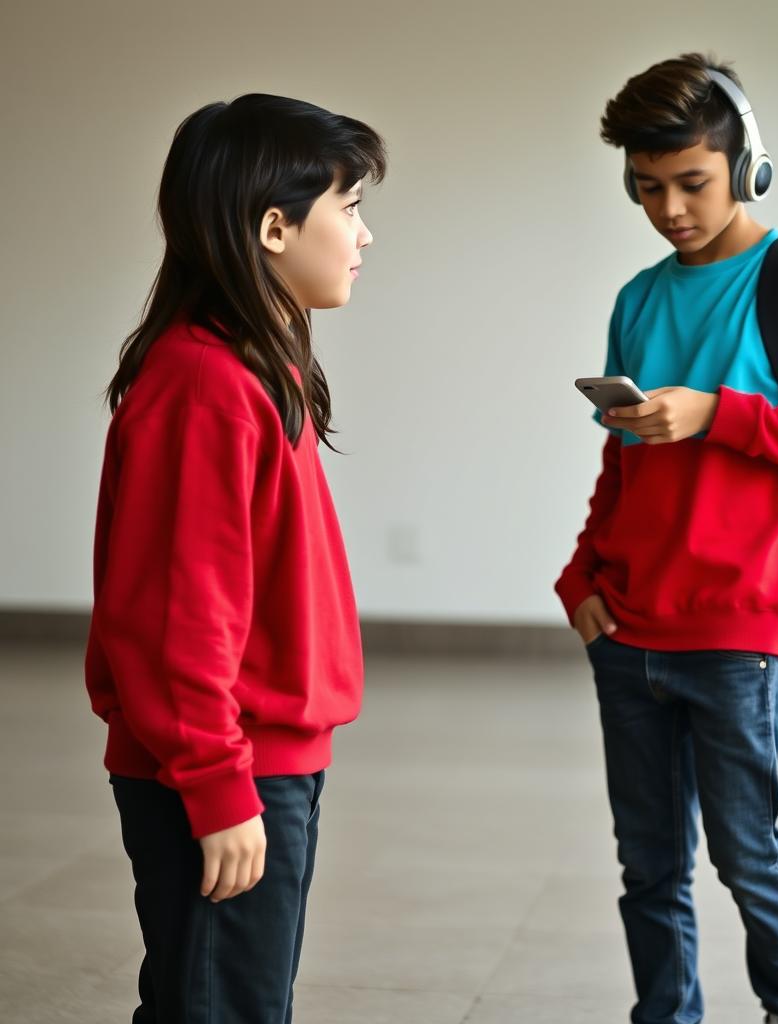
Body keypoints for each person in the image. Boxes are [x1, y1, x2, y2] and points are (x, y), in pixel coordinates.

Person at [556, 52, 778, 1024]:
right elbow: (619, 464)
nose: (668, 209)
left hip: (741, 629)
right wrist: (578, 575)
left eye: (691, 183)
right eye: (647, 188)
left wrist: (719, 413)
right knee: (648, 866)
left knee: (747, 854)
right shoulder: (636, 298)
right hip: (627, 627)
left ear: (745, 165)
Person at [83, 93, 385, 1023]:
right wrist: (218, 786)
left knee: (207, 996)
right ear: (274, 227)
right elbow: (182, 613)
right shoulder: (206, 382)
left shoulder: (253, 365)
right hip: (224, 761)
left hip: (256, 756)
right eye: (351, 207)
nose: (364, 236)